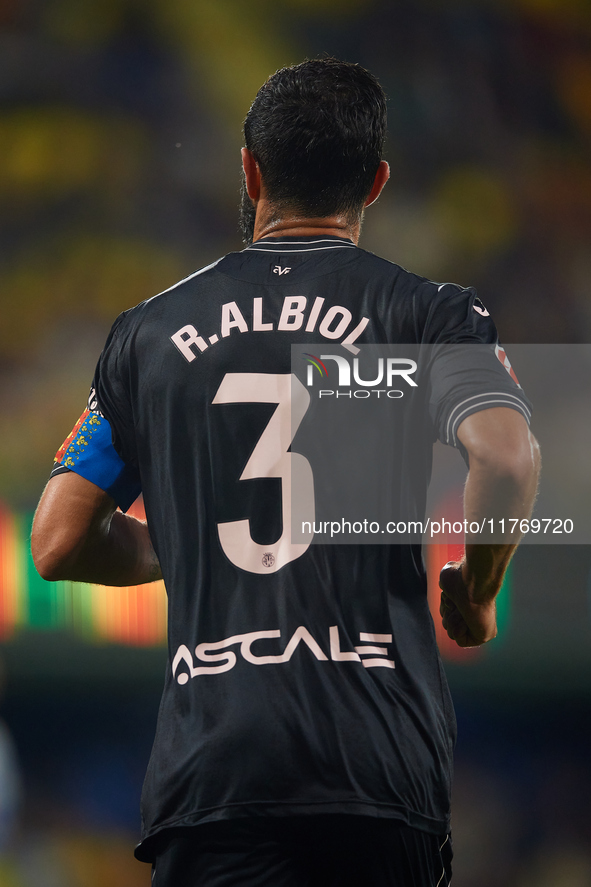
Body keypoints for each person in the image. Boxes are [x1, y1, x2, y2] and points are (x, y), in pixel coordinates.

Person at [31, 58, 540, 886]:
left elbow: (56, 541)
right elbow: (506, 455)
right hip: (377, 766)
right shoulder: (429, 313)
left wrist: (184, 540)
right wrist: (476, 594)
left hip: (214, 774)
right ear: (374, 182)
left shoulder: (147, 333)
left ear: (250, 169)